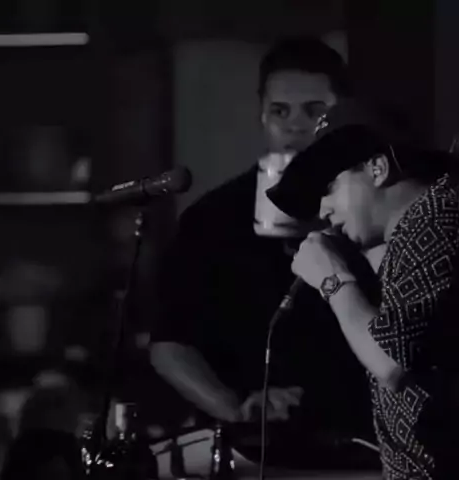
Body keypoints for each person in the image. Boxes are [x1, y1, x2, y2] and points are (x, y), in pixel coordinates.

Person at [268, 99, 459, 479]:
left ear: (377, 168)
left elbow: (391, 361)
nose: (322, 210)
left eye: (330, 187)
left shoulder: (436, 216)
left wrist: (333, 278)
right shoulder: (438, 216)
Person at [148, 37, 376, 468]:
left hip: (362, 451)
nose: (295, 126)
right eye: (280, 111)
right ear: (261, 114)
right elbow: (169, 344)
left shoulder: (374, 213)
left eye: (314, 111)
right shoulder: (213, 218)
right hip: (247, 455)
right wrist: (235, 407)